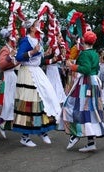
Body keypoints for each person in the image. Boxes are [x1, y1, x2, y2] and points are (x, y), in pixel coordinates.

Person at [13, 19, 62, 147]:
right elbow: (18, 57)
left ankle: (42, 130)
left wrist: (50, 56)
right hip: (27, 74)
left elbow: (39, 61)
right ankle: (25, 136)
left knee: (43, 100)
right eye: (36, 24)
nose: (39, 26)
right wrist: (33, 52)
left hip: (37, 72)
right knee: (29, 103)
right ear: (32, 28)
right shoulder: (26, 40)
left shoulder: (38, 40)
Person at [61, 31, 104, 152]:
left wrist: (72, 67)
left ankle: (75, 134)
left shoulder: (85, 54)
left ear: (83, 41)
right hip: (94, 83)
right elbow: (93, 67)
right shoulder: (95, 53)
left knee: (75, 107)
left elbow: (86, 69)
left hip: (86, 84)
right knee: (90, 111)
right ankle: (90, 141)